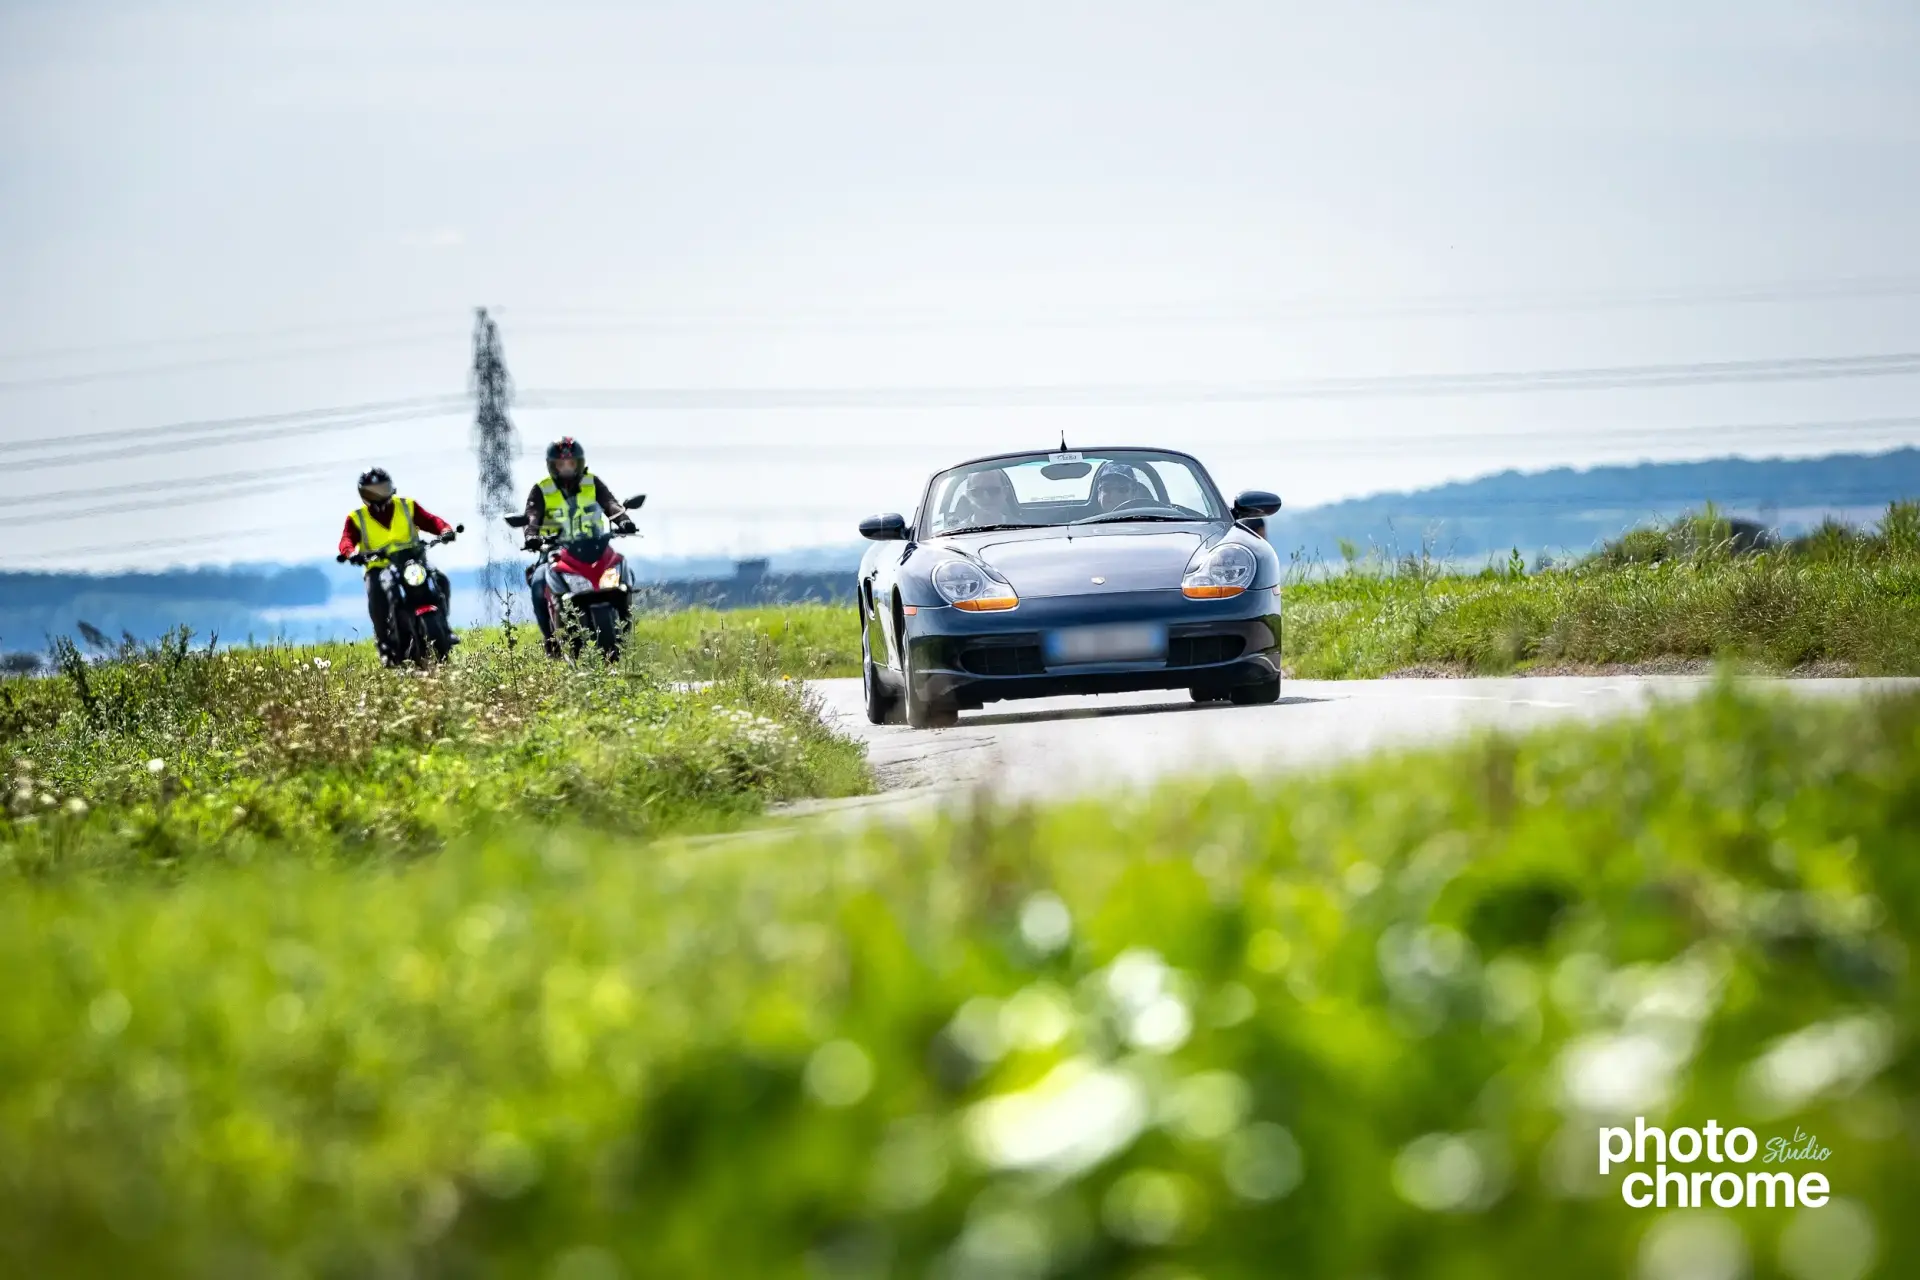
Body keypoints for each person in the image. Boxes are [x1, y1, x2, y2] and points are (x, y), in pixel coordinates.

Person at [522, 437, 636, 654]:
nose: (566, 468)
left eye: (571, 463)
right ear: (552, 466)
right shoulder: (542, 489)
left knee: (623, 568)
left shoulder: (592, 482)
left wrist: (623, 521)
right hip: (556, 551)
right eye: (561, 464)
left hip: (596, 546)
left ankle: (624, 621)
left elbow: (610, 503)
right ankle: (552, 641)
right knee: (538, 584)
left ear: (579, 463)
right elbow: (532, 516)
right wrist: (531, 536)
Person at [337, 467, 456, 663]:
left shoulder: (407, 505)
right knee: (376, 593)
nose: (379, 495)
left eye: (383, 488)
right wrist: (352, 553)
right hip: (379, 567)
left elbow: (430, 520)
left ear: (391, 487)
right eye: (372, 491)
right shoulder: (356, 518)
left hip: (413, 561)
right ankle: (384, 643)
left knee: (441, 580)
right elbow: (347, 540)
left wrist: (445, 530)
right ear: (363, 494)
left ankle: (445, 626)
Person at [947, 468, 1020, 530]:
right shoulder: (956, 535)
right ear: (968, 495)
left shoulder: (1022, 530)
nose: (986, 497)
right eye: (977, 491)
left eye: (993, 490)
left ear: (1005, 492)